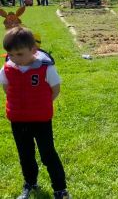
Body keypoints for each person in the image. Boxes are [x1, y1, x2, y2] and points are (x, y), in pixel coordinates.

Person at [0, 27, 70, 199]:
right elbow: (6, 88)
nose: (15, 59)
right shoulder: (7, 68)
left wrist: (41, 105)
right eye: (11, 55)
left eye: (20, 54)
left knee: (48, 154)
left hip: (41, 120)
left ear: (33, 50)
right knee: (25, 155)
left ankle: (60, 189)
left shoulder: (45, 68)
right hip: (18, 120)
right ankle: (30, 183)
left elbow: (55, 89)